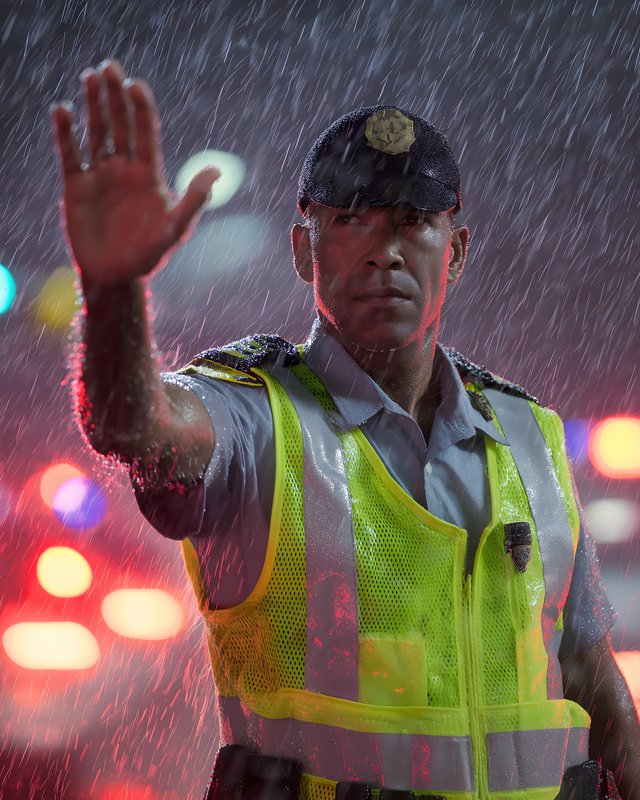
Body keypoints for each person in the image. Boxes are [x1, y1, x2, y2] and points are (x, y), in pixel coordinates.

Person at [51, 59, 640, 800]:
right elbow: (135, 427)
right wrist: (111, 290)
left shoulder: (531, 436)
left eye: (413, 223)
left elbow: (586, 666)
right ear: (306, 251)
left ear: (454, 253)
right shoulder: (260, 418)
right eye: (350, 220)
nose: (381, 249)